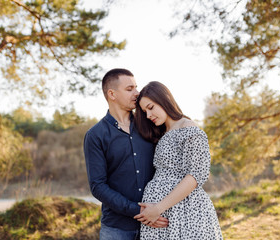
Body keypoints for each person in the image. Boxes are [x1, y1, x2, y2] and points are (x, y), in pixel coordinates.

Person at [83, 69, 168, 240]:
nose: (137, 93)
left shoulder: (151, 124)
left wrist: (156, 209)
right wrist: (138, 211)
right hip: (116, 229)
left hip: (158, 223)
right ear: (112, 94)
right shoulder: (95, 135)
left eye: (136, 87)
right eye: (130, 89)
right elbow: (98, 186)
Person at [133, 81, 223, 240]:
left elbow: (196, 175)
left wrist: (158, 207)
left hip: (184, 213)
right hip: (161, 217)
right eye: (144, 111)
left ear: (164, 100)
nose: (148, 115)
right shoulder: (162, 133)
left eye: (151, 107)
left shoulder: (188, 128)